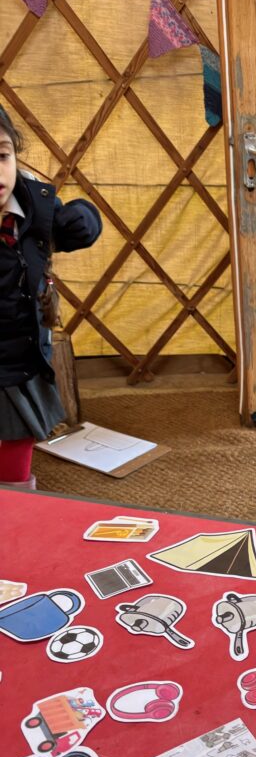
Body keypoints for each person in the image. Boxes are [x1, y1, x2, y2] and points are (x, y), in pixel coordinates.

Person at [0, 104, 102, 490]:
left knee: (18, 432)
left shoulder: (33, 204)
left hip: (21, 351)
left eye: (2, 155)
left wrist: (85, 218)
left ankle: (16, 502)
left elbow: (74, 223)